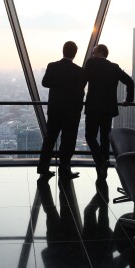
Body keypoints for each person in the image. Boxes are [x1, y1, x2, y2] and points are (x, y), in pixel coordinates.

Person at [83, 44, 134, 179]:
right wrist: (128, 99)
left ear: (100, 52)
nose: (92, 55)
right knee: (104, 138)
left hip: (93, 107)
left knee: (90, 136)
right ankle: (104, 165)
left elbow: (82, 81)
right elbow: (130, 82)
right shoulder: (114, 67)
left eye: (94, 52)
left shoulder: (91, 63)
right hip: (108, 108)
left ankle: (101, 162)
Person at [37, 41, 85, 180]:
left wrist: (58, 84)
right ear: (75, 54)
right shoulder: (79, 71)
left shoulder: (52, 66)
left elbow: (45, 83)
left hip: (55, 109)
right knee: (68, 141)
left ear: (63, 51)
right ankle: (64, 170)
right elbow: (80, 91)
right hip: (71, 112)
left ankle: (43, 168)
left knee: (49, 139)